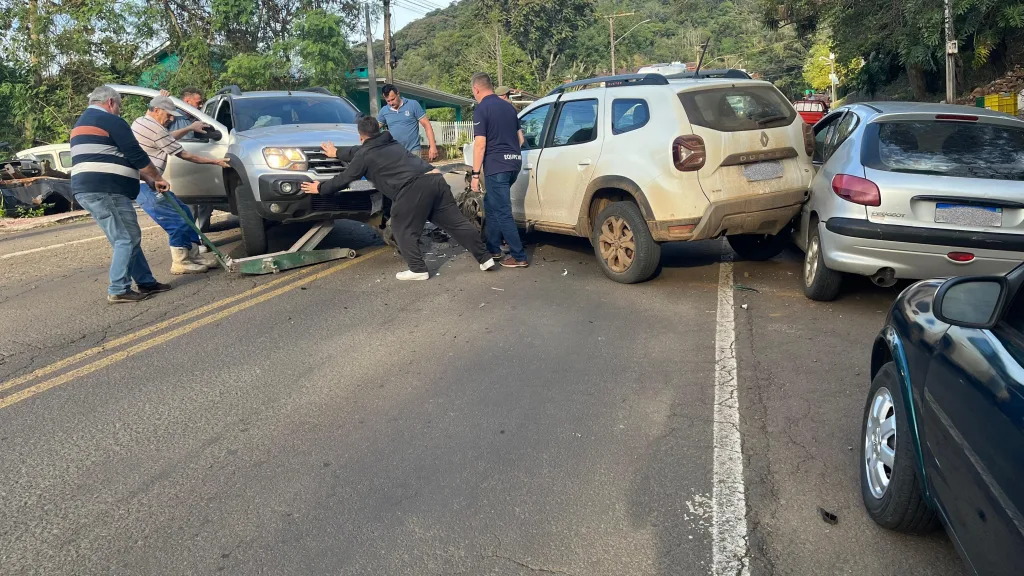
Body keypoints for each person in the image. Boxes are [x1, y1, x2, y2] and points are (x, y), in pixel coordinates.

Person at [300, 117, 496, 281]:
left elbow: (345, 178)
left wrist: (320, 188)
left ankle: (417, 269)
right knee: (456, 223)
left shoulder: (365, 154)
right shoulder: (390, 142)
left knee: (402, 227)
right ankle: (485, 258)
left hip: (412, 189)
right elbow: (357, 152)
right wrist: (337, 152)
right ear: (378, 130)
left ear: (361, 136)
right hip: (435, 179)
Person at [70, 86, 173, 303]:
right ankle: (118, 288)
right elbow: (135, 154)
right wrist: (157, 177)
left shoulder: (81, 124)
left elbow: (117, 157)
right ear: (110, 102)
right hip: (106, 189)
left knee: (126, 237)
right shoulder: (110, 120)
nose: (120, 111)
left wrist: (148, 179)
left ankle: (145, 281)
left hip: (92, 188)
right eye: (119, 106)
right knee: (125, 238)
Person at [131, 95, 230, 274]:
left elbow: (169, 138)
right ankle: (180, 262)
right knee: (176, 221)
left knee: (184, 212)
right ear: (156, 110)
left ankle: (194, 256)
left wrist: (190, 128)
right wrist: (215, 161)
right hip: (146, 184)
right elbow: (185, 155)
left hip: (148, 183)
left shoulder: (140, 122)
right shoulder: (156, 129)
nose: (171, 119)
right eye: (168, 115)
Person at [470, 72, 528, 268]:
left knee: (502, 211)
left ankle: (519, 256)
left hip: (497, 167)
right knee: (491, 203)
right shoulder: (509, 107)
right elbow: (521, 139)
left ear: (476, 89)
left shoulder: (482, 109)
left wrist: (475, 175)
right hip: (514, 164)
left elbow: (480, 144)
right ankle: (493, 248)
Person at [161, 87, 215, 232]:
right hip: (181, 165)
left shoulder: (201, 117)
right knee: (189, 204)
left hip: (201, 164)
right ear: (187, 101)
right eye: (198, 102)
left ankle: (201, 233)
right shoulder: (173, 116)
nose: (201, 105)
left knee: (207, 201)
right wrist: (162, 101)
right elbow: (157, 129)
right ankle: (191, 235)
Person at [377, 84, 438, 161]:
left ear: (398, 94)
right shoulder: (384, 111)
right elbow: (373, 129)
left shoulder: (413, 105)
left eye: (393, 99)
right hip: (395, 153)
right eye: (388, 101)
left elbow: (427, 125)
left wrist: (433, 146)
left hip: (413, 152)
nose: (391, 103)